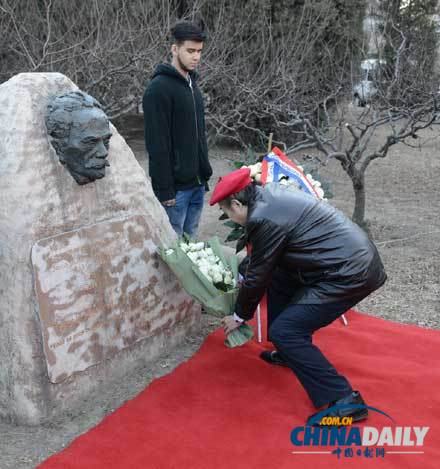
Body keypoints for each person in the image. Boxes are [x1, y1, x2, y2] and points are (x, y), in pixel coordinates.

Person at [210, 168, 386, 424]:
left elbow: (259, 273)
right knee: (279, 278)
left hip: (348, 273)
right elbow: (265, 257)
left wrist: (239, 315)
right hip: (339, 261)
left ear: (237, 203)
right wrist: (241, 276)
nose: (229, 216)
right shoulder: (267, 196)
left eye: (226, 211)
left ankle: (347, 400)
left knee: (287, 330)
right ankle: (288, 352)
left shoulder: (262, 217)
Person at [143, 21, 212, 237]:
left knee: (191, 242)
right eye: (190, 51)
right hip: (176, 191)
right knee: (173, 249)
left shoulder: (193, 86)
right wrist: (164, 190)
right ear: (175, 49)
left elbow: (197, 136)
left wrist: (203, 174)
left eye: (199, 51)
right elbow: (157, 144)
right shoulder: (159, 89)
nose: (196, 57)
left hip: (197, 185)